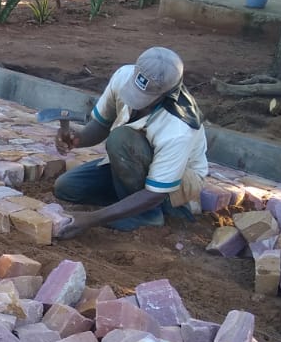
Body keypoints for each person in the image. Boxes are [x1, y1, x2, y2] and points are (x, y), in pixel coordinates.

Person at [52, 46, 209, 239]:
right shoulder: (124, 75)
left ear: (166, 93)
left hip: (172, 185)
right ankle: (127, 203)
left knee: (120, 139)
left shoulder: (179, 128)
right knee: (67, 187)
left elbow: (156, 193)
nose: (134, 101)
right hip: (131, 165)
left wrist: (91, 219)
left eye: (145, 98)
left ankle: (148, 215)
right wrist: (77, 138)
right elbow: (101, 125)